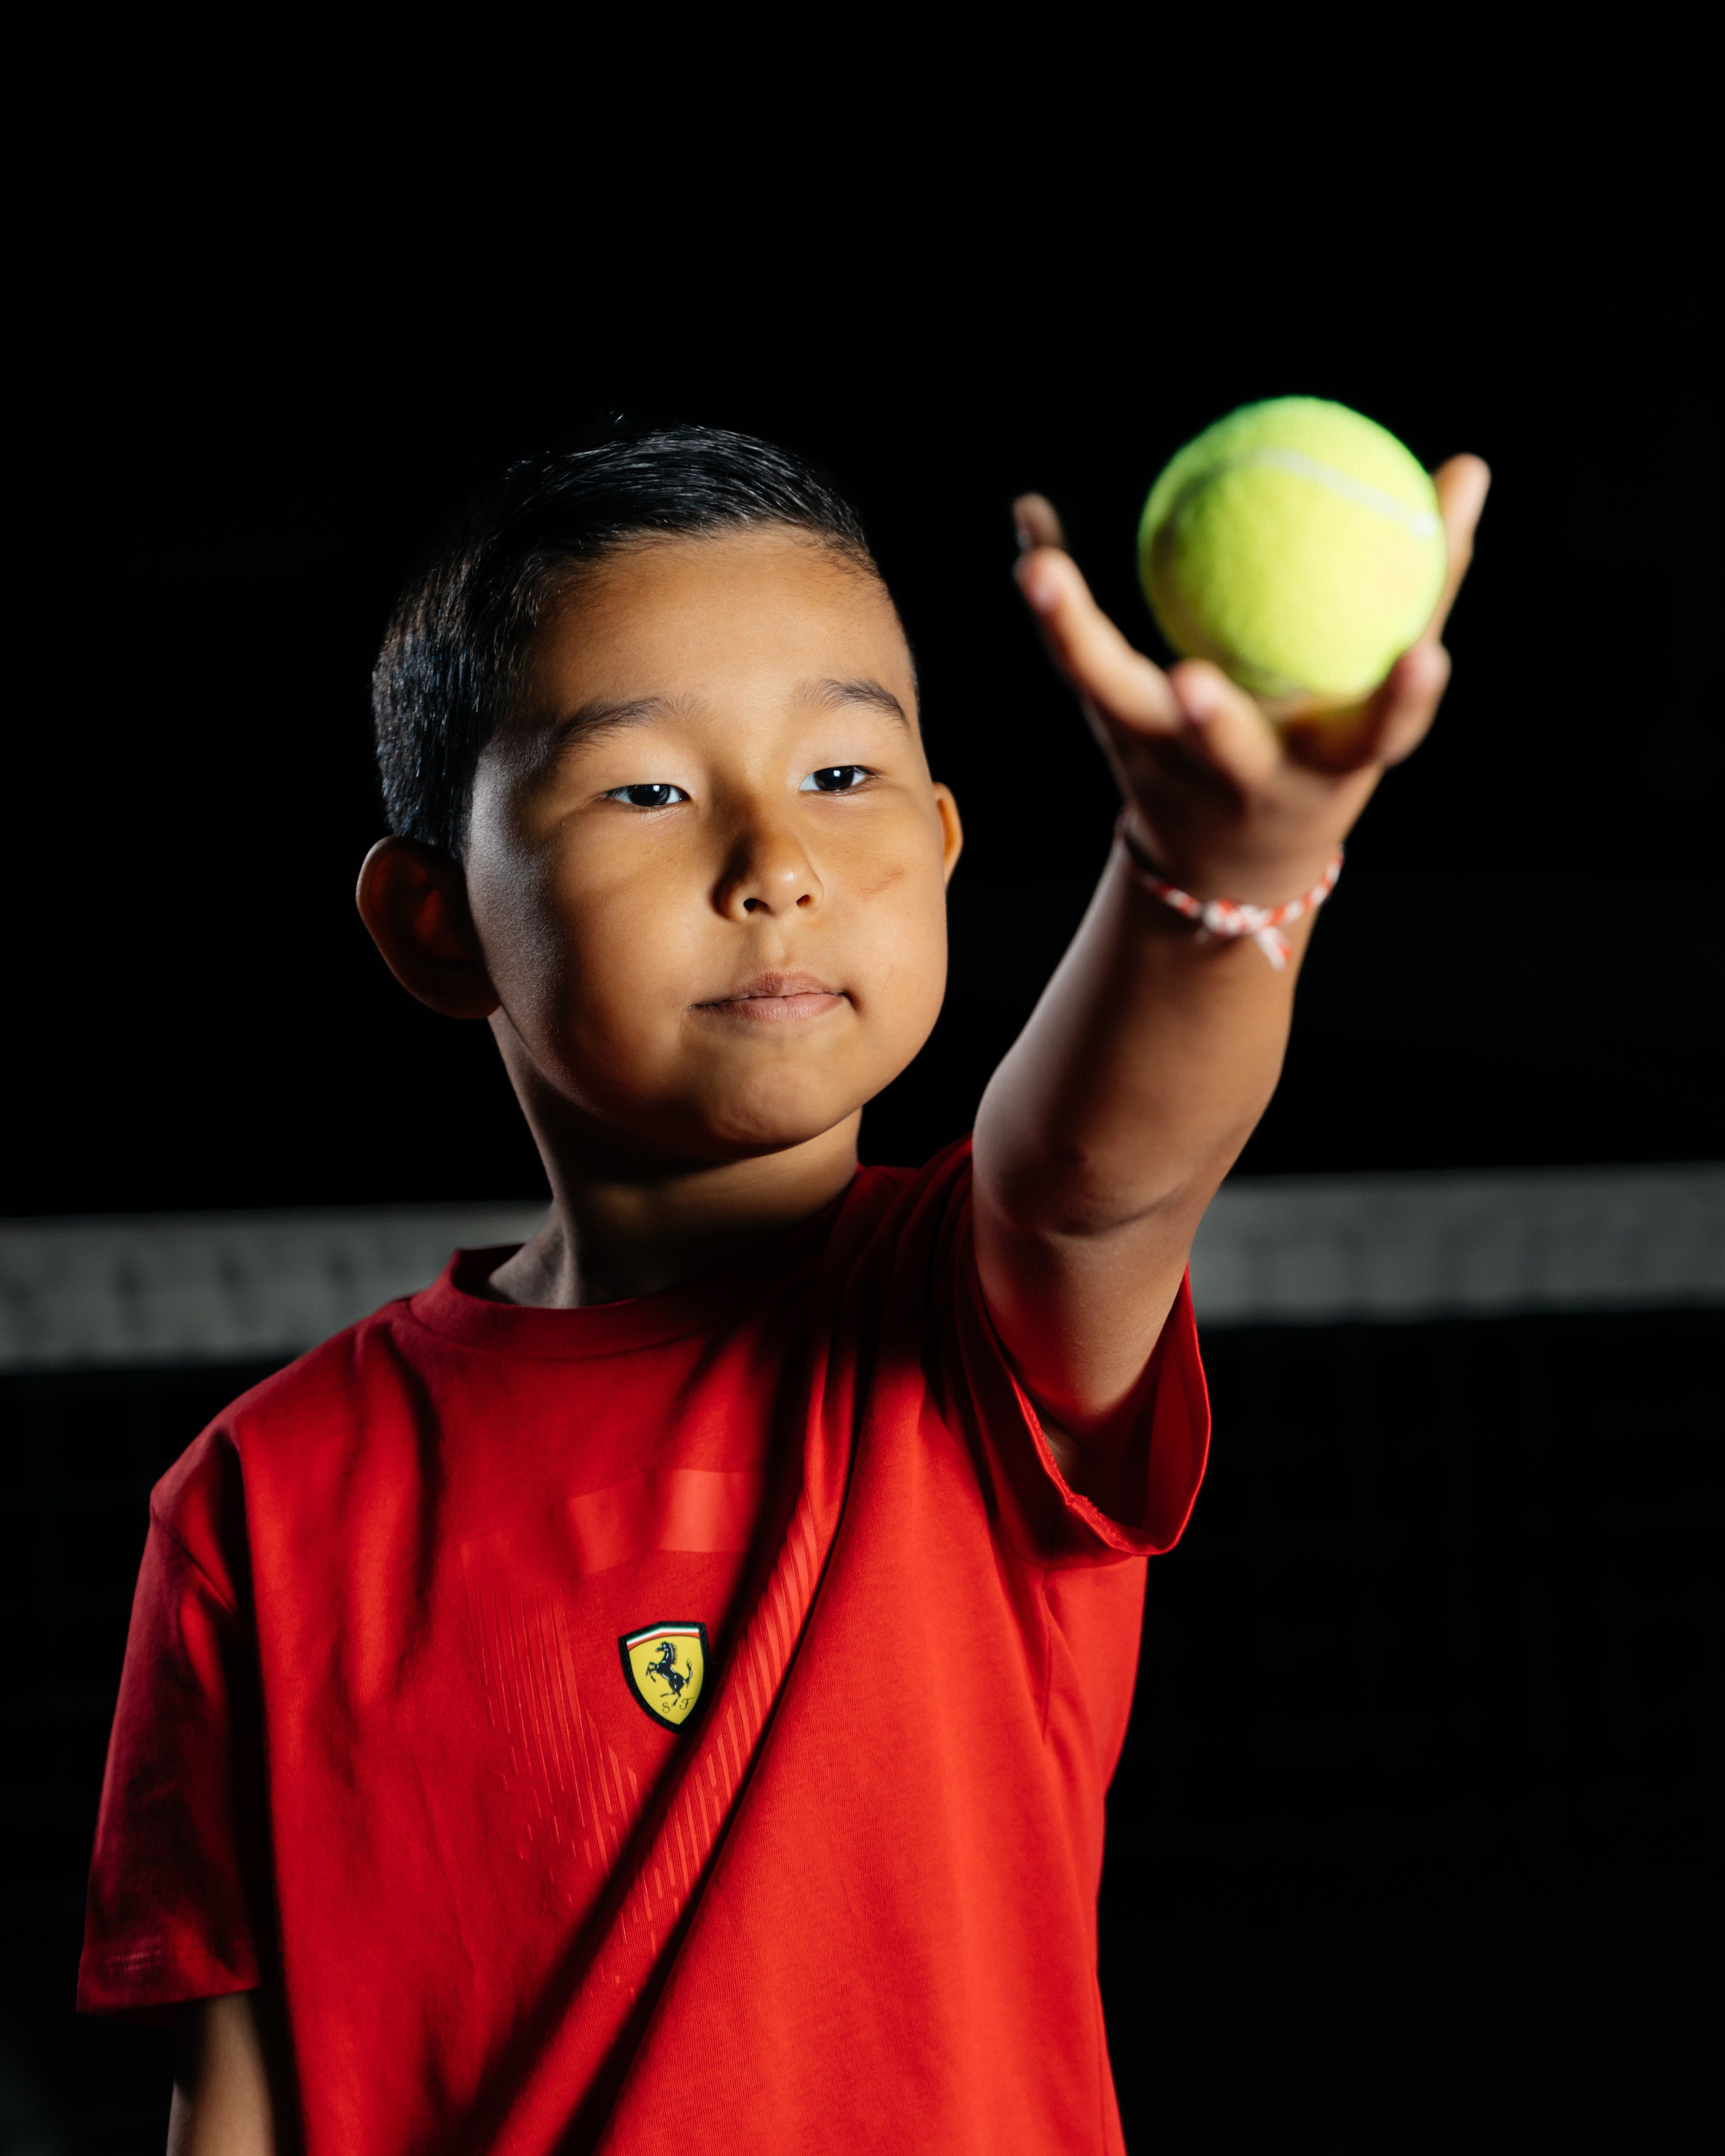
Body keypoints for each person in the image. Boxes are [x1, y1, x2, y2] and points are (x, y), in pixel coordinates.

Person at [79, 426, 1488, 2153]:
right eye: (647, 789)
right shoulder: (256, 1499)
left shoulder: (965, 1326)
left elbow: (1092, 1176)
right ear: (435, 922)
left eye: (841, 775)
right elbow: (236, 2101)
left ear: (947, 841)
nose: (774, 861)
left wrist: (1222, 873)